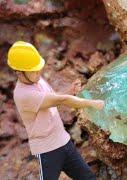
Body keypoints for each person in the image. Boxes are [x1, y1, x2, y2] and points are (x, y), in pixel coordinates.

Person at [7, 41, 104, 180]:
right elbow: (61, 100)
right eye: (33, 70)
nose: (38, 72)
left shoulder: (37, 80)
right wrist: (92, 104)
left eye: (38, 68)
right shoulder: (23, 94)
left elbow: (53, 99)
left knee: (88, 177)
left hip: (63, 141)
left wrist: (69, 90)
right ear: (19, 73)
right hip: (48, 150)